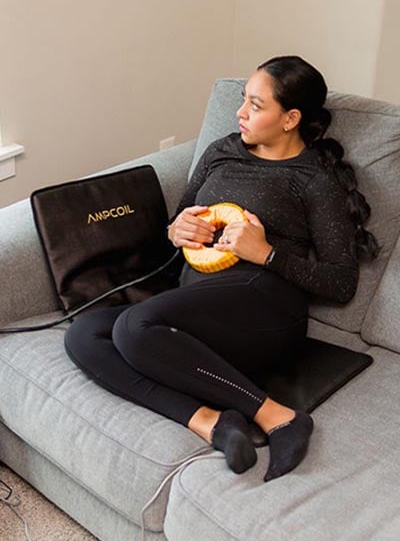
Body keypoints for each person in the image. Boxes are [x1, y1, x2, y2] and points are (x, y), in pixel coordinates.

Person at [64, 56, 379, 481]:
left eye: (255, 104)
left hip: (265, 307)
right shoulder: (223, 150)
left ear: (290, 119)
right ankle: (212, 422)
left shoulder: (313, 181)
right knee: (84, 334)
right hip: (198, 302)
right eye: (242, 100)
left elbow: (341, 282)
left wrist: (266, 253)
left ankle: (278, 417)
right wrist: (178, 230)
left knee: (133, 327)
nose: (240, 113)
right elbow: (180, 219)